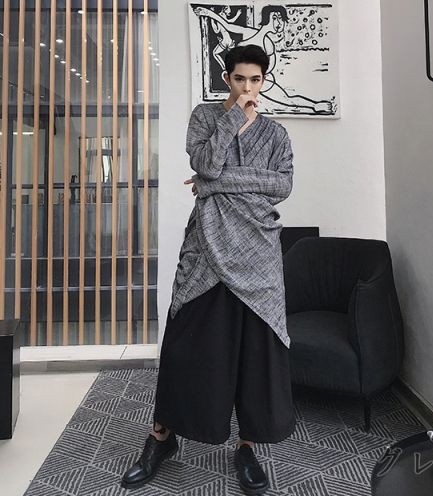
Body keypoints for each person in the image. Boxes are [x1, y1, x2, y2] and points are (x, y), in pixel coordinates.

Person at [121, 44, 296, 495]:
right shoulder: (205, 117)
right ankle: (162, 438)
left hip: (257, 252)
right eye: (239, 79)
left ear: (264, 80)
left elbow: (281, 185)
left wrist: (212, 185)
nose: (247, 87)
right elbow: (205, 163)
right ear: (226, 78)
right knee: (185, 345)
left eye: (255, 80)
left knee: (255, 353)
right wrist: (232, 123)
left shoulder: (276, 133)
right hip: (207, 248)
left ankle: (248, 446)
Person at [194, 4, 336, 114]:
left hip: (264, 82)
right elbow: (228, 25)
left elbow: (270, 65)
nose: (280, 24)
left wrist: (260, 76)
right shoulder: (250, 33)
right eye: (277, 19)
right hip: (243, 81)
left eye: (281, 21)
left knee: (287, 99)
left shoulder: (268, 44)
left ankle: (314, 105)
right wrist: (208, 13)